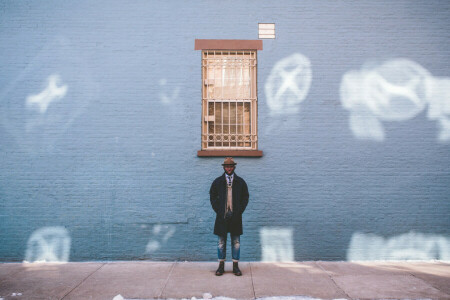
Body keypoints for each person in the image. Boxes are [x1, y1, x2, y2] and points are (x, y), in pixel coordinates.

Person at [209, 157, 249, 276]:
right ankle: (221, 266)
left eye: (231, 166)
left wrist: (239, 211)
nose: (229, 168)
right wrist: (219, 210)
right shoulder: (218, 182)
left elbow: (245, 197)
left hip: (236, 217)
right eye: (227, 166)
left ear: (234, 167)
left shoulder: (240, 182)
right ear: (224, 167)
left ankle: (235, 267)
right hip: (222, 217)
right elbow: (212, 196)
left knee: (236, 242)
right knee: (221, 242)